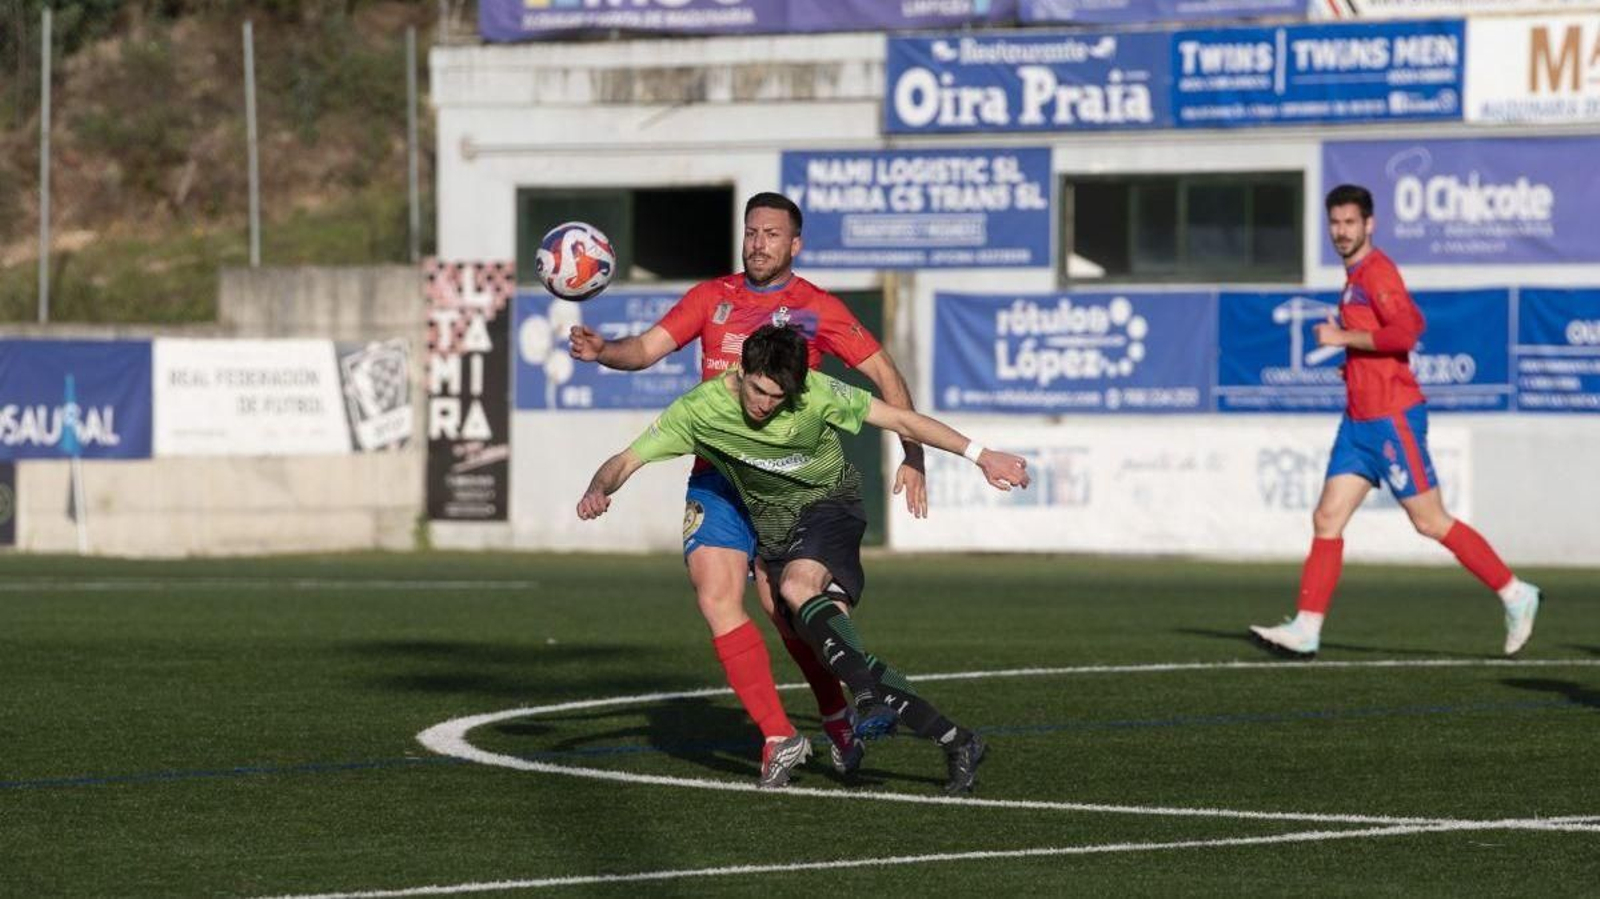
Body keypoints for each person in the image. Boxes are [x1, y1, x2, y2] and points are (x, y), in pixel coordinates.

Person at [568, 192, 927, 783]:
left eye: (772, 234)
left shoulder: (816, 308)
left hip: (784, 486)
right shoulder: (712, 299)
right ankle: (779, 737)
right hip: (717, 479)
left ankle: (836, 715)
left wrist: (913, 455)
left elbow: (883, 372)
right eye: (752, 232)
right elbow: (647, 349)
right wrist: (605, 350)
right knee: (714, 594)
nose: (759, 243)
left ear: (795, 244)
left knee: (784, 612)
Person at [577, 324, 1029, 792]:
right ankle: (957, 740)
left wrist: (981, 455)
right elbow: (626, 461)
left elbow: (902, 420)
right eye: (759, 391)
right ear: (741, 369)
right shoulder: (698, 410)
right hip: (776, 532)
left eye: (778, 396)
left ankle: (867, 699)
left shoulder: (815, 393)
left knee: (797, 589)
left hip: (831, 506)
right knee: (830, 646)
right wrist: (598, 488)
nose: (766, 404)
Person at [1249, 184, 1541, 660]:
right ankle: (1306, 627)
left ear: (1370, 224)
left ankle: (1515, 592)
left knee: (1429, 521)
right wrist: (1355, 361)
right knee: (1327, 518)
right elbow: (1399, 324)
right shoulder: (1354, 278)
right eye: (1335, 223)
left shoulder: (1376, 271)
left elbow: (1407, 330)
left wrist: (1343, 336)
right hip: (1359, 420)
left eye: (1350, 222)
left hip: (1391, 417)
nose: (1341, 232)